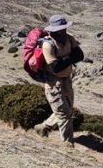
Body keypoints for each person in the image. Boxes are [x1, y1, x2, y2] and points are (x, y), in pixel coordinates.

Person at [34, 14, 84, 142]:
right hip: (53, 84)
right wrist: (70, 57)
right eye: (60, 30)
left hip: (66, 79)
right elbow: (56, 67)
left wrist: (65, 60)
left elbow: (80, 55)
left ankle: (43, 127)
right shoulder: (48, 45)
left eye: (64, 29)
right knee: (64, 115)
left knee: (67, 111)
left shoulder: (69, 38)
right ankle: (67, 144)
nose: (63, 32)